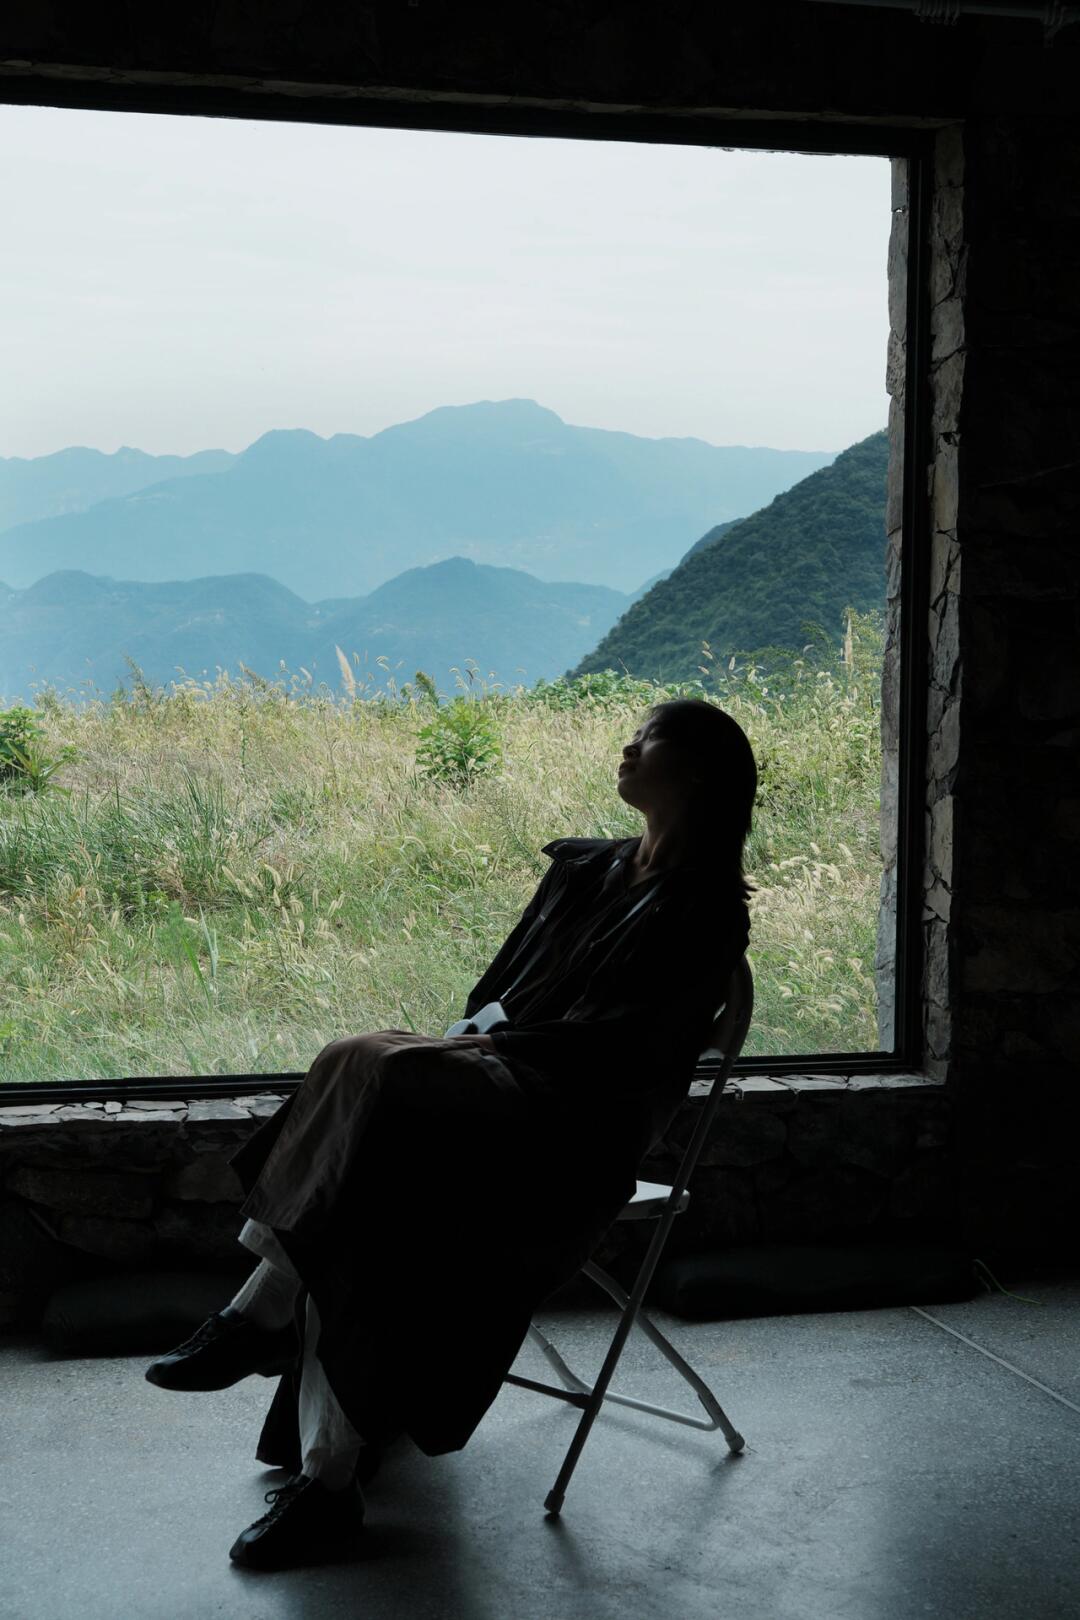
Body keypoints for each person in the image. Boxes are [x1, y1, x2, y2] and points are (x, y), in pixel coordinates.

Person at [144, 696, 757, 1569]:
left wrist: (485, 1051)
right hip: (494, 1090)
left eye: (647, 738)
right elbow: (494, 990)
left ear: (695, 771)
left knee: (369, 1062)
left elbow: (628, 1054)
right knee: (373, 1194)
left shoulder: (704, 910)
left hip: (570, 1130)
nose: (626, 748)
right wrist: (475, 1042)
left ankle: (260, 1313)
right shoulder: (586, 870)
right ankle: (324, 1480)